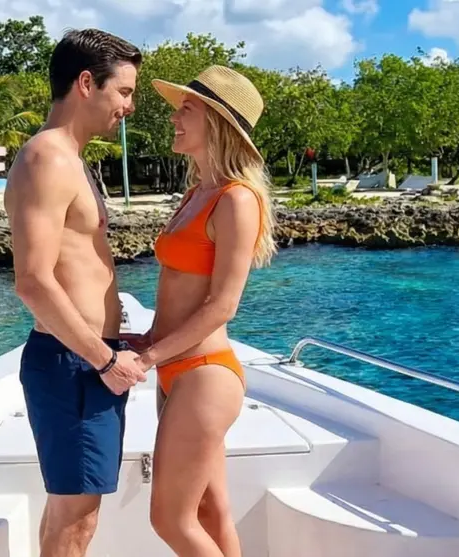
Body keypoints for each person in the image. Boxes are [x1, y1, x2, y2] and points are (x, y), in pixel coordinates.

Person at [3, 28, 144, 557]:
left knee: (76, 511)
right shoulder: (48, 158)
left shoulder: (69, 157)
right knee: (75, 517)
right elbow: (33, 280)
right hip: (75, 363)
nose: (128, 107)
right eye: (124, 92)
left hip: (85, 360)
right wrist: (105, 358)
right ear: (87, 83)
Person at [134, 65, 277, 557]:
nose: (174, 117)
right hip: (175, 371)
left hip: (204, 374)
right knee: (210, 511)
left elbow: (222, 305)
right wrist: (146, 342)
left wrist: (149, 357)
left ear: (216, 122)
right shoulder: (196, 194)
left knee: (170, 520)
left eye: (186, 110)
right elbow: (177, 291)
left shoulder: (237, 200)